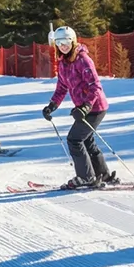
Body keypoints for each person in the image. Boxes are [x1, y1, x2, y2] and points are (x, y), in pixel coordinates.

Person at [41, 27, 114, 188]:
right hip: (84, 108)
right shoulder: (63, 63)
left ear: (73, 41)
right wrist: (52, 106)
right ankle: (102, 175)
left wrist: (86, 107)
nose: (63, 45)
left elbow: (95, 86)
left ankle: (86, 177)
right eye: (59, 42)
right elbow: (61, 87)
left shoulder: (83, 60)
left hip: (95, 107)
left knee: (74, 139)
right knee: (87, 140)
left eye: (66, 41)